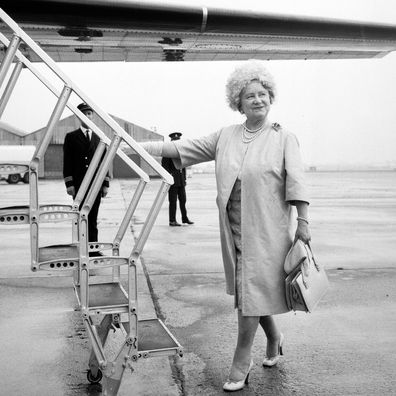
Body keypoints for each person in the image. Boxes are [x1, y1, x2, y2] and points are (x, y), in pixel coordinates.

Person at [141, 61, 311, 392]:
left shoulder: (284, 137)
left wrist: (303, 222)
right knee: (252, 291)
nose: (257, 100)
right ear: (238, 101)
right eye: (250, 95)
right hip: (234, 232)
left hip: (267, 232)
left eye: (262, 94)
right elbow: (179, 148)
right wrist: (131, 145)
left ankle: (240, 362)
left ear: (270, 96)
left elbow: (297, 183)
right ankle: (275, 338)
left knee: (250, 292)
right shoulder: (226, 136)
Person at [63, 103, 110, 252]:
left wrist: (105, 183)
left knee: (93, 218)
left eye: (90, 114)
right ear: (79, 116)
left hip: (95, 184)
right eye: (85, 114)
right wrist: (69, 183)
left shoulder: (99, 138)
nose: (88, 116)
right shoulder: (71, 137)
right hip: (79, 184)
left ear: (93, 116)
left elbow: (104, 162)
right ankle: (82, 249)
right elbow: (67, 161)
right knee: (81, 217)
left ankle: (93, 249)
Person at [161, 132, 194, 226]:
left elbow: (184, 167)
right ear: (172, 141)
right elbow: (164, 167)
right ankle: (172, 220)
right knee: (173, 202)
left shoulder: (181, 153)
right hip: (172, 181)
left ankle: (185, 218)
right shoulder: (167, 153)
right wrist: (169, 178)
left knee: (183, 200)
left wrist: (184, 179)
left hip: (181, 181)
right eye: (175, 141)